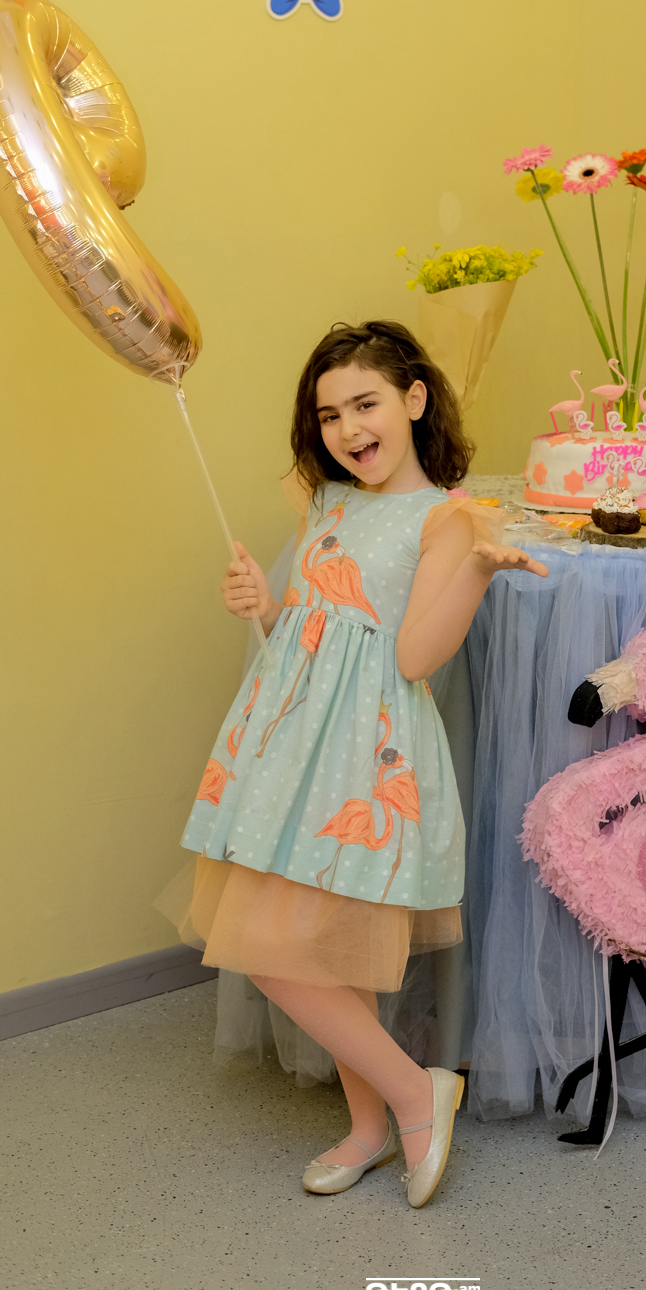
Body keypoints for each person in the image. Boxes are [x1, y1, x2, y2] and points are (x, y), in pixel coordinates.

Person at [157, 320, 547, 1208]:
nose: (347, 428)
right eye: (329, 414)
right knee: (314, 952)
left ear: (414, 399)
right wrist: (264, 603)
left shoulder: (447, 518)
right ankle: (373, 1126)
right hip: (287, 744)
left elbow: (412, 658)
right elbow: (313, 617)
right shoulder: (326, 499)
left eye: (365, 404)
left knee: (277, 949)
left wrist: (477, 573)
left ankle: (415, 1094)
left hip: (361, 758)